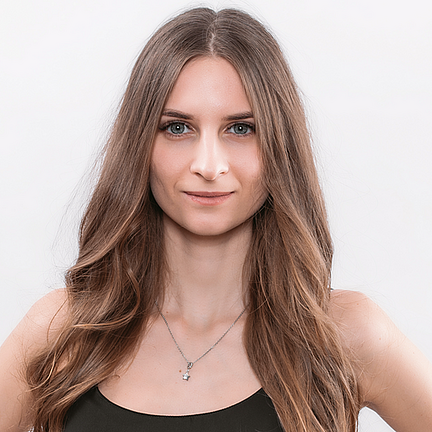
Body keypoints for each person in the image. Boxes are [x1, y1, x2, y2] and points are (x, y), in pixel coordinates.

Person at [1, 7, 431, 432]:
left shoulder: (345, 333)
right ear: (139, 144)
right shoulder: (62, 329)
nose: (208, 165)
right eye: (177, 128)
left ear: (280, 145)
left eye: (241, 129)